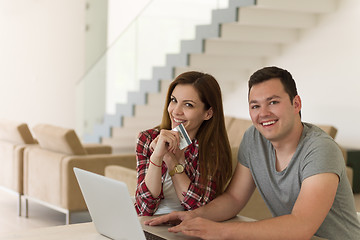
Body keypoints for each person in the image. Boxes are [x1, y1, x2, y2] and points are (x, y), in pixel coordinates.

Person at [145, 66, 360, 239]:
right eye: (255, 106)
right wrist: (191, 217)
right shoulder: (254, 138)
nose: (263, 113)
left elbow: (300, 226)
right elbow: (233, 199)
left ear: (296, 104)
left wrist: (220, 231)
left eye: (273, 102)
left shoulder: (320, 149)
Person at [135, 71, 233, 216]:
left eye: (188, 105)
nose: (176, 111)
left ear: (208, 113)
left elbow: (198, 209)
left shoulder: (211, 152)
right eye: (174, 100)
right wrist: (156, 157)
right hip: (147, 225)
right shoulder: (147, 139)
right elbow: (144, 208)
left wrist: (170, 160)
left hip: (188, 229)